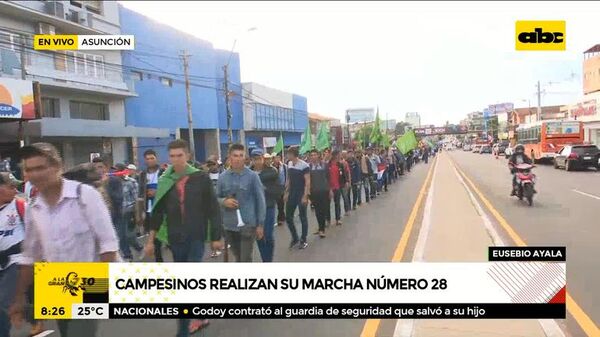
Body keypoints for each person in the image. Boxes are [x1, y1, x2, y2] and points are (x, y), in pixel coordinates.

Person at [10, 143, 119, 337]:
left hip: (90, 282)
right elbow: (30, 256)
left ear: (57, 167)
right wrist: (19, 299)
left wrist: (99, 290)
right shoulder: (34, 208)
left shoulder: (84, 196)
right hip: (58, 285)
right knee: (67, 332)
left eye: (40, 168)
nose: (35, 174)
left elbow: (108, 244)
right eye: (29, 169)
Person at [144, 140, 222, 337]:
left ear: (187, 156)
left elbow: (213, 208)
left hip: (196, 236)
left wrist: (216, 236)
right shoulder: (165, 180)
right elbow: (158, 212)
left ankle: (182, 331)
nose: (176, 160)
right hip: (175, 238)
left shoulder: (200, 178)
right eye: (172, 156)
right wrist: (150, 240)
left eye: (179, 155)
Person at [216, 143, 265, 262]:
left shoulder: (252, 176)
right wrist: (224, 202)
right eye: (235, 155)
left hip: (248, 224)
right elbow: (215, 198)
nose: (238, 159)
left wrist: (260, 225)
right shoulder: (222, 177)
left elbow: (260, 201)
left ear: (245, 158)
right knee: (238, 257)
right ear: (229, 157)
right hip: (230, 225)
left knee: (245, 259)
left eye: (240, 156)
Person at [0, 172, 25, 337]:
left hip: (16, 261)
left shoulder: (20, 206)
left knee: (3, 303)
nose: (16, 191)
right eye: (11, 187)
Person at [250, 149, 281, 262]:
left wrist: (264, 189)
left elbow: (278, 190)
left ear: (263, 159)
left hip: (268, 207)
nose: (257, 161)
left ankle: (268, 259)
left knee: (267, 235)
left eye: (259, 158)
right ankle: (266, 260)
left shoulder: (271, 172)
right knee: (259, 235)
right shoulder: (248, 173)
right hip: (254, 209)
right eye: (254, 159)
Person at [138, 149, 165, 262]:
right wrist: (139, 213)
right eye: (147, 159)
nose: (150, 161)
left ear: (156, 158)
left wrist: (157, 192)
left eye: (152, 158)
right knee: (155, 237)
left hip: (164, 208)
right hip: (150, 208)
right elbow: (140, 193)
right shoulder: (143, 174)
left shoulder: (163, 172)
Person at [114, 163, 142, 261]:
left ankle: (139, 247)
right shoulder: (112, 183)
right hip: (118, 213)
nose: (116, 173)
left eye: (117, 170)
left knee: (129, 235)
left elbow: (136, 199)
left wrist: (138, 214)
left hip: (129, 211)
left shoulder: (131, 182)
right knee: (121, 236)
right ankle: (127, 255)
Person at [284, 146, 310, 249]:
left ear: (293, 154)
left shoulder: (304, 165)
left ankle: (303, 239)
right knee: (288, 216)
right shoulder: (289, 164)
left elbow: (307, 182)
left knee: (302, 217)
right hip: (292, 193)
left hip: (301, 193)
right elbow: (289, 180)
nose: (287, 155)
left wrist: (305, 196)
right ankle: (295, 237)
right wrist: (286, 192)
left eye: (288, 154)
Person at [308, 149, 331, 237]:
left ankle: (322, 229)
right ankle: (320, 228)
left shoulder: (324, 165)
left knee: (323, 210)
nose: (313, 156)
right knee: (317, 211)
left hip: (324, 191)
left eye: (315, 155)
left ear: (318, 155)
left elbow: (328, 178)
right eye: (312, 155)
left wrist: (330, 190)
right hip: (314, 192)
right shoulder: (309, 167)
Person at [327, 150, 347, 226]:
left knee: (337, 203)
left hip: (337, 187)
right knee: (327, 205)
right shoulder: (328, 165)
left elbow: (343, 175)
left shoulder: (340, 165)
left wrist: (345, 182)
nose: (340, 156)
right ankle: (328, 219)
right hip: (329, 188)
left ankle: (338, 219)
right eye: (339, 155)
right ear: (335, 155)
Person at [272, 154, 287, 226]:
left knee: (281, 203)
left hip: (282, 186)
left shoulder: (284, 166)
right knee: (278, 203)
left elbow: (287, 176)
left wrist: (286, 186)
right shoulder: (270, 167)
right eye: (275, 158)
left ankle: (280, 218)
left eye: (278, 157)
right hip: (274, 188)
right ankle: (282, 215)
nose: (277, 159)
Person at [339, 151, 352, 216]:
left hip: (344, 182)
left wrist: (349, 181)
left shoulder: (345, 163)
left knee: (345, 196)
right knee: (343, 197)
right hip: (338, 183)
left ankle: (347, 210)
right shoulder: (337, 163)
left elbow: (348, 172)